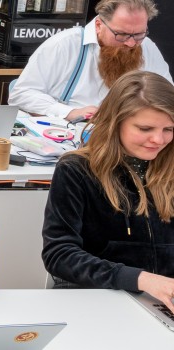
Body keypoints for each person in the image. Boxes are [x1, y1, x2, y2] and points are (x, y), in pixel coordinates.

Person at [42, 70, 174, 312]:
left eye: (168, 129)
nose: (158, 139)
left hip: (161, 304)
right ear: (115, 122)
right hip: (93, 300)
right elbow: (59, 255)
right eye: (145, 128)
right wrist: (141, 279)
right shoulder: (76, 169)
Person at [10, 0, 171, 122]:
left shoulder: (147, 47)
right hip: (70, 133)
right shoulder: (64, 45)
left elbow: (168, 96)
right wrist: (69, 112)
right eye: (121, 34)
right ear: (99, 25)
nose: (131, 43)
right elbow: (21, 94)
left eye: (139, 35)